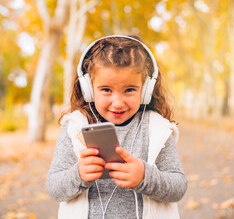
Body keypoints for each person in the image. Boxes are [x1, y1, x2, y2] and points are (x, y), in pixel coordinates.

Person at [46, 35, 187, 219]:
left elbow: (178, 187)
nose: (118, 102)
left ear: (146, 90)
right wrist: (78, 174)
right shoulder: (76, 127)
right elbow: (54, 188)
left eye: (130, 90)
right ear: (89, 89)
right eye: (106, 90)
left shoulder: (157, 129)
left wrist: (145, 176)